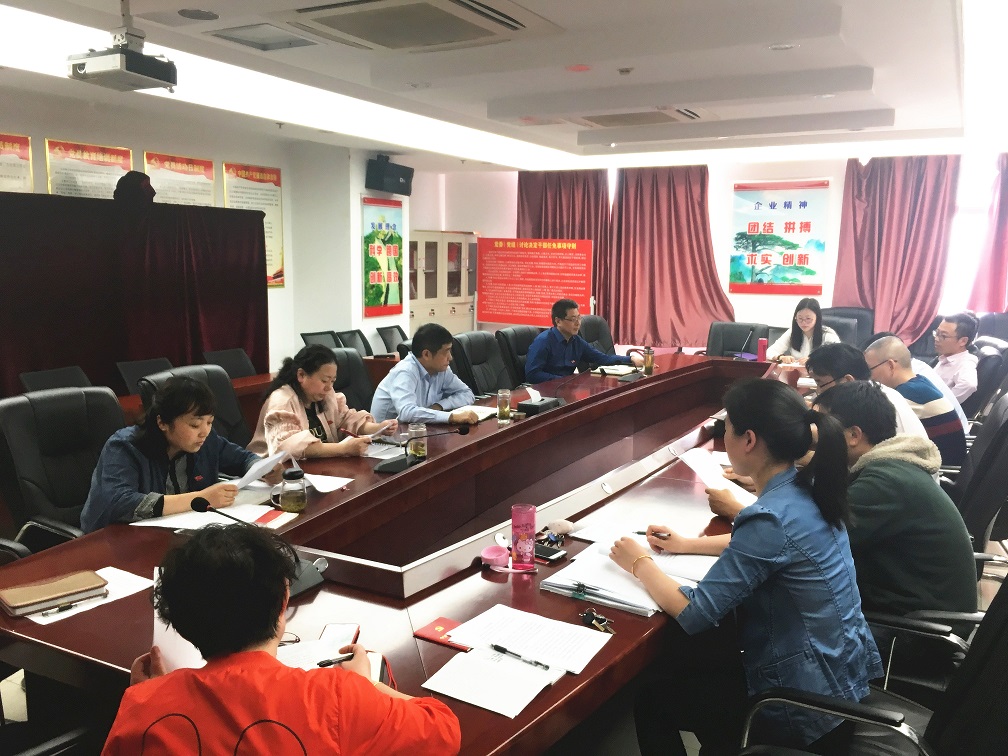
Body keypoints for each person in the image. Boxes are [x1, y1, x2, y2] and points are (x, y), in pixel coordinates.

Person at [610, 378, 881, 754]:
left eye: (727, 430)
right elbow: (773, 547)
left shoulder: (770, 517)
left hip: (798, 708)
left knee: (654, 700)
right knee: (703, 663)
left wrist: (639, 562)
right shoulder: (808, 488)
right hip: (838, 684)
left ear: (749, 440)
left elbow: (695, 613)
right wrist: (687, 545)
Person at [102, 525, 461, 754]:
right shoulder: (336, 697)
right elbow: (443, 729)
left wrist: (153, 695)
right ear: (284, 599)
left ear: (179, 621)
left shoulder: (143, 705)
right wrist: (366, 685)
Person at [813, 381, 976, 622]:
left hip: (912, 629)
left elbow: (809, 542)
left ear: (854, 435)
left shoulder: (883, 483)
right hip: (909, 606)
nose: (816, 437)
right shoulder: (891, 466)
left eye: (822, 427)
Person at [81, 377, 267, 533]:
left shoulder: (205, 440)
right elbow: (120, 503)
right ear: (162, 422)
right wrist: (200, 498)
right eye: (195, 425)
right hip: (115, 540)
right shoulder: (124, 447)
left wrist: (264, 469)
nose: (204, 432)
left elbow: (243, 459)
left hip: (180, 530)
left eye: (209, 422)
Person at [248, 344, 396, 459]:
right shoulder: (282, 400)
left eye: (333, 381)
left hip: (320, 468)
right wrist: (343, 449)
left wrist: (378, 428)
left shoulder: (325, 394)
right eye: (324, 380)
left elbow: (346, 419)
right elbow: (287, 447)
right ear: (301, 375)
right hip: (275, 475)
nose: (329, 387)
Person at [863, 335, 967, 465]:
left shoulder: (906, 395)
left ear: (890, 366)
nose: (867, 377)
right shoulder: (919, 382)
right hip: (944, 462)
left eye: (869, 370)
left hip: (942, 469)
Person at [805, 342, 929, 441]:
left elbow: (839, 444)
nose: (818, 391)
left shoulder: (867, 404)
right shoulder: (873, 391)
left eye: (819, 383)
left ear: (847, 381)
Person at [370, 323, 477, 424]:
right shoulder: (405, 372)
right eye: (446, 351)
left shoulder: (442, 369)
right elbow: (407, 412)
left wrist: (439, 406)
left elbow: (467, 394)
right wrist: (451, 417)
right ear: (426, 354)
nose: (450, 357)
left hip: (418, 429)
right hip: (386, 435)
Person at [524, 299, 642, 383]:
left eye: (579, 318)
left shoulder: (576, 341)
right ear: (558, 321)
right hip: (545, 393)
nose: (578, 323)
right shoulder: (543, 341)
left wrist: (630, 359)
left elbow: (602, 358)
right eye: (573, 319)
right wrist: (565, 380)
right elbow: (533, 375)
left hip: (566, 388)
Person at [765, 297, 840, 364]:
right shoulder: (792, 332)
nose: (803, 322)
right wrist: (780, 357)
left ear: (817, 318)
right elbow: (770, 352)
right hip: (796, 372)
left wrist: (814, 360)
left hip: (819, 374)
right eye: (800, 318)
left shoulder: (828, 335)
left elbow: (838, 357)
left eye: (808, 319)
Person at [933, 312, 980, 404]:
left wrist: (941, 404)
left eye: (943, 336)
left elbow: (969, 385)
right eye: (937, 333)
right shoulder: (947, 356)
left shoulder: (966, 363)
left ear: (963, 341)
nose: (936, 339)